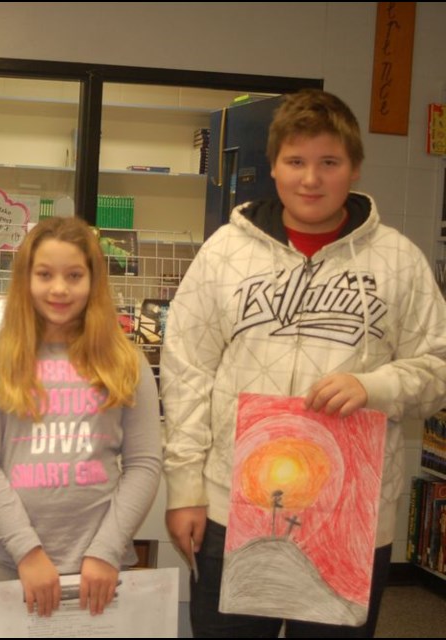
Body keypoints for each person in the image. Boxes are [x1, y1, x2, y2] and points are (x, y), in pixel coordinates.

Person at [161, 88, 446, 638]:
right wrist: (185, 490)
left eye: (328, 163)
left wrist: (376, 386)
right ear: (272, 168)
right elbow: (186, 373)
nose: (310, 179)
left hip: (350, 517)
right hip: (233, 505)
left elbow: (437, 364)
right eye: (295, 161)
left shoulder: (398, 261)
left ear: (355, 169)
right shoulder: (225, 252)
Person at [0, 216, 162, 618]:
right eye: (45, 275)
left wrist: (105, 552)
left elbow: (145, 464)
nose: (59, 288)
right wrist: (27, 551)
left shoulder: (126, 362)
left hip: (98, 570)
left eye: (74, 275)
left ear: (93, 282)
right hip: (8, 563)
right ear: (25, 280)